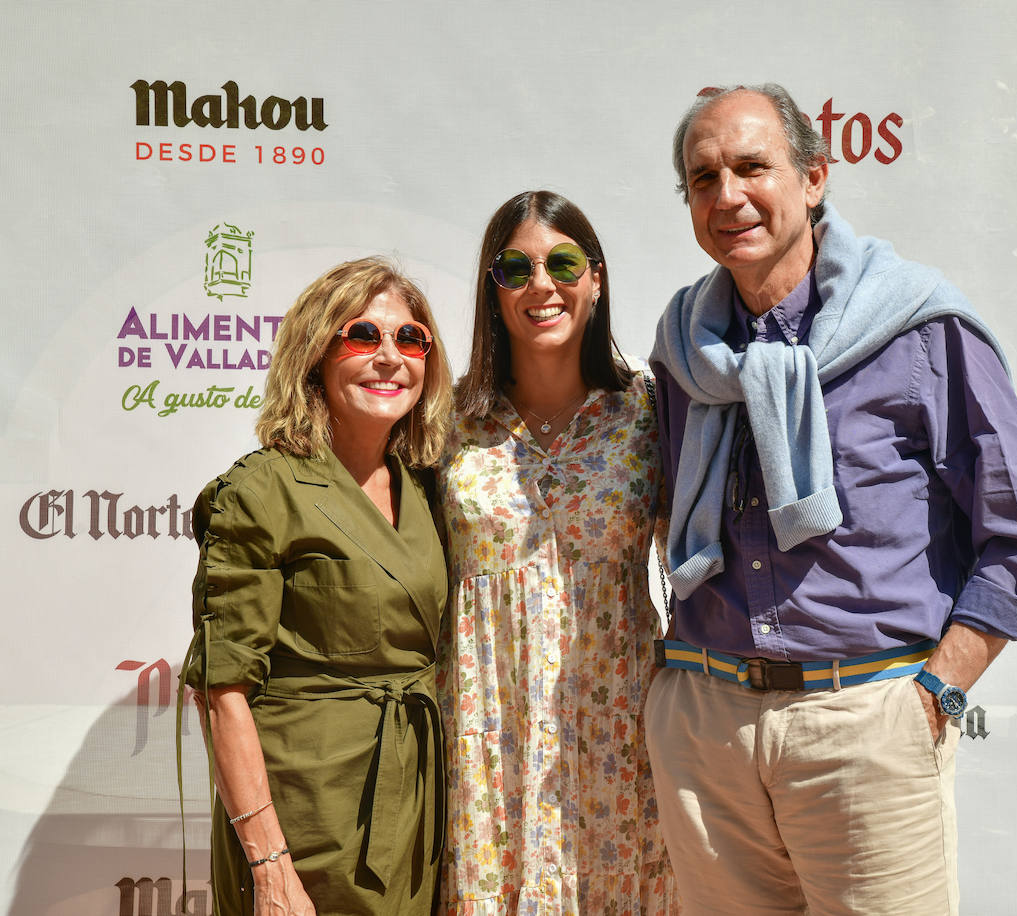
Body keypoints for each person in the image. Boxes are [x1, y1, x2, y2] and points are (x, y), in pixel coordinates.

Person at [646, 84, 1017, 915]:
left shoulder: (917, 329)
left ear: (813, 178)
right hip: (706, 731)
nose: (727, 196)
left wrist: (934, 694)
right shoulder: (684, 352)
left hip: (863, 724)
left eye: (750, 167)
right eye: (703, 179)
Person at [180, 256, 454, 915]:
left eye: (410, 339)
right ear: (314, 353)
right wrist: (271, 870)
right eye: (363, 335)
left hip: (417, 803)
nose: (390, 356)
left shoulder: (429, 489)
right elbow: (221, 694)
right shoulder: (259, 491)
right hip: (305, 810)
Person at [436, 190, 679, 914]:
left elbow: (698, 558)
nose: (542, 284)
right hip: (487, 742)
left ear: (595, 278)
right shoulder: (446, 423)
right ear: (494, 288)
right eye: (516, 268)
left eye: (562, 263)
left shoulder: (649, 409)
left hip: (619, 739)